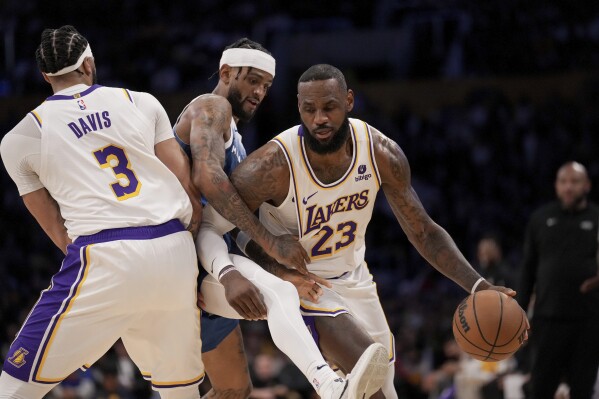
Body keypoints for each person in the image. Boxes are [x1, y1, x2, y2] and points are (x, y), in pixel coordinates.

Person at [197, 64, 520, 399]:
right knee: (371, 390)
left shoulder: (380, 152)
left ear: (349, 101)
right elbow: (219, 226)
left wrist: (478, 285)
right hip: (307, 285)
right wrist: (273, 268)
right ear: (299, 108)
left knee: (386, 390)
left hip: (355, 277)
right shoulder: (272, 165)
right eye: (309, 110)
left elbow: (422, 231)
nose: (319, 118)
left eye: (329, 107)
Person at [175, 40, 388, 398]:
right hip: (188, 258)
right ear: (226, 73)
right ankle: (330, 384)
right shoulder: (212, 108)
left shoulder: (238, 139)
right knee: (280, 295)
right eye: (252, 80)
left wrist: (276, 265)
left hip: (213, 258)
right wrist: (268, 243)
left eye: (267, 86)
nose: (259, 92)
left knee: (233, 390)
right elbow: (208, 180)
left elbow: (232, 226)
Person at [0, 26, 203, 399]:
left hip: (105, 254)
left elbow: (58, 231)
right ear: (89, 65)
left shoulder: (20, 138)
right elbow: (187, 187)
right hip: (175, 247)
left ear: (45, 76)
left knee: (13, 384)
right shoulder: (142, 101)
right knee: (180, 392)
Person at [518, 161, 599, 399]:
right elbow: (527, 269)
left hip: (588, 321)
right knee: (540, 388)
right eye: (563, 182)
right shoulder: (540, 219)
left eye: (574, 182)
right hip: (548, 319)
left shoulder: (597, 218)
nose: (568, 187)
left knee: (582, 391)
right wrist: (520, 312)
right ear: (556, 186)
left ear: (587, 185)